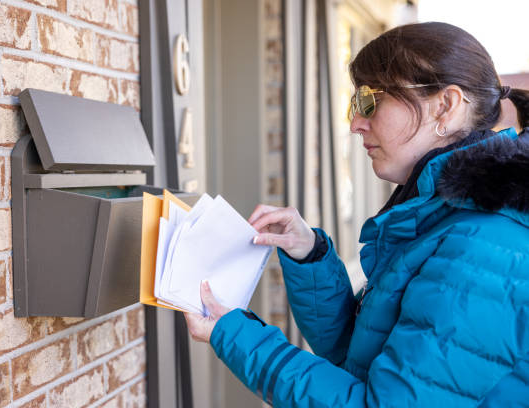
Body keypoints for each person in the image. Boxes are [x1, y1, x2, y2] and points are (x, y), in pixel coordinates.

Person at [185, 22, 529, 407]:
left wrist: (233, 335)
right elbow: (356, 355)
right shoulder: (444, 217)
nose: (355, 123)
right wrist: (310, 255)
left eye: (370, 101)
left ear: (445, 106)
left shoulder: (486, 247)